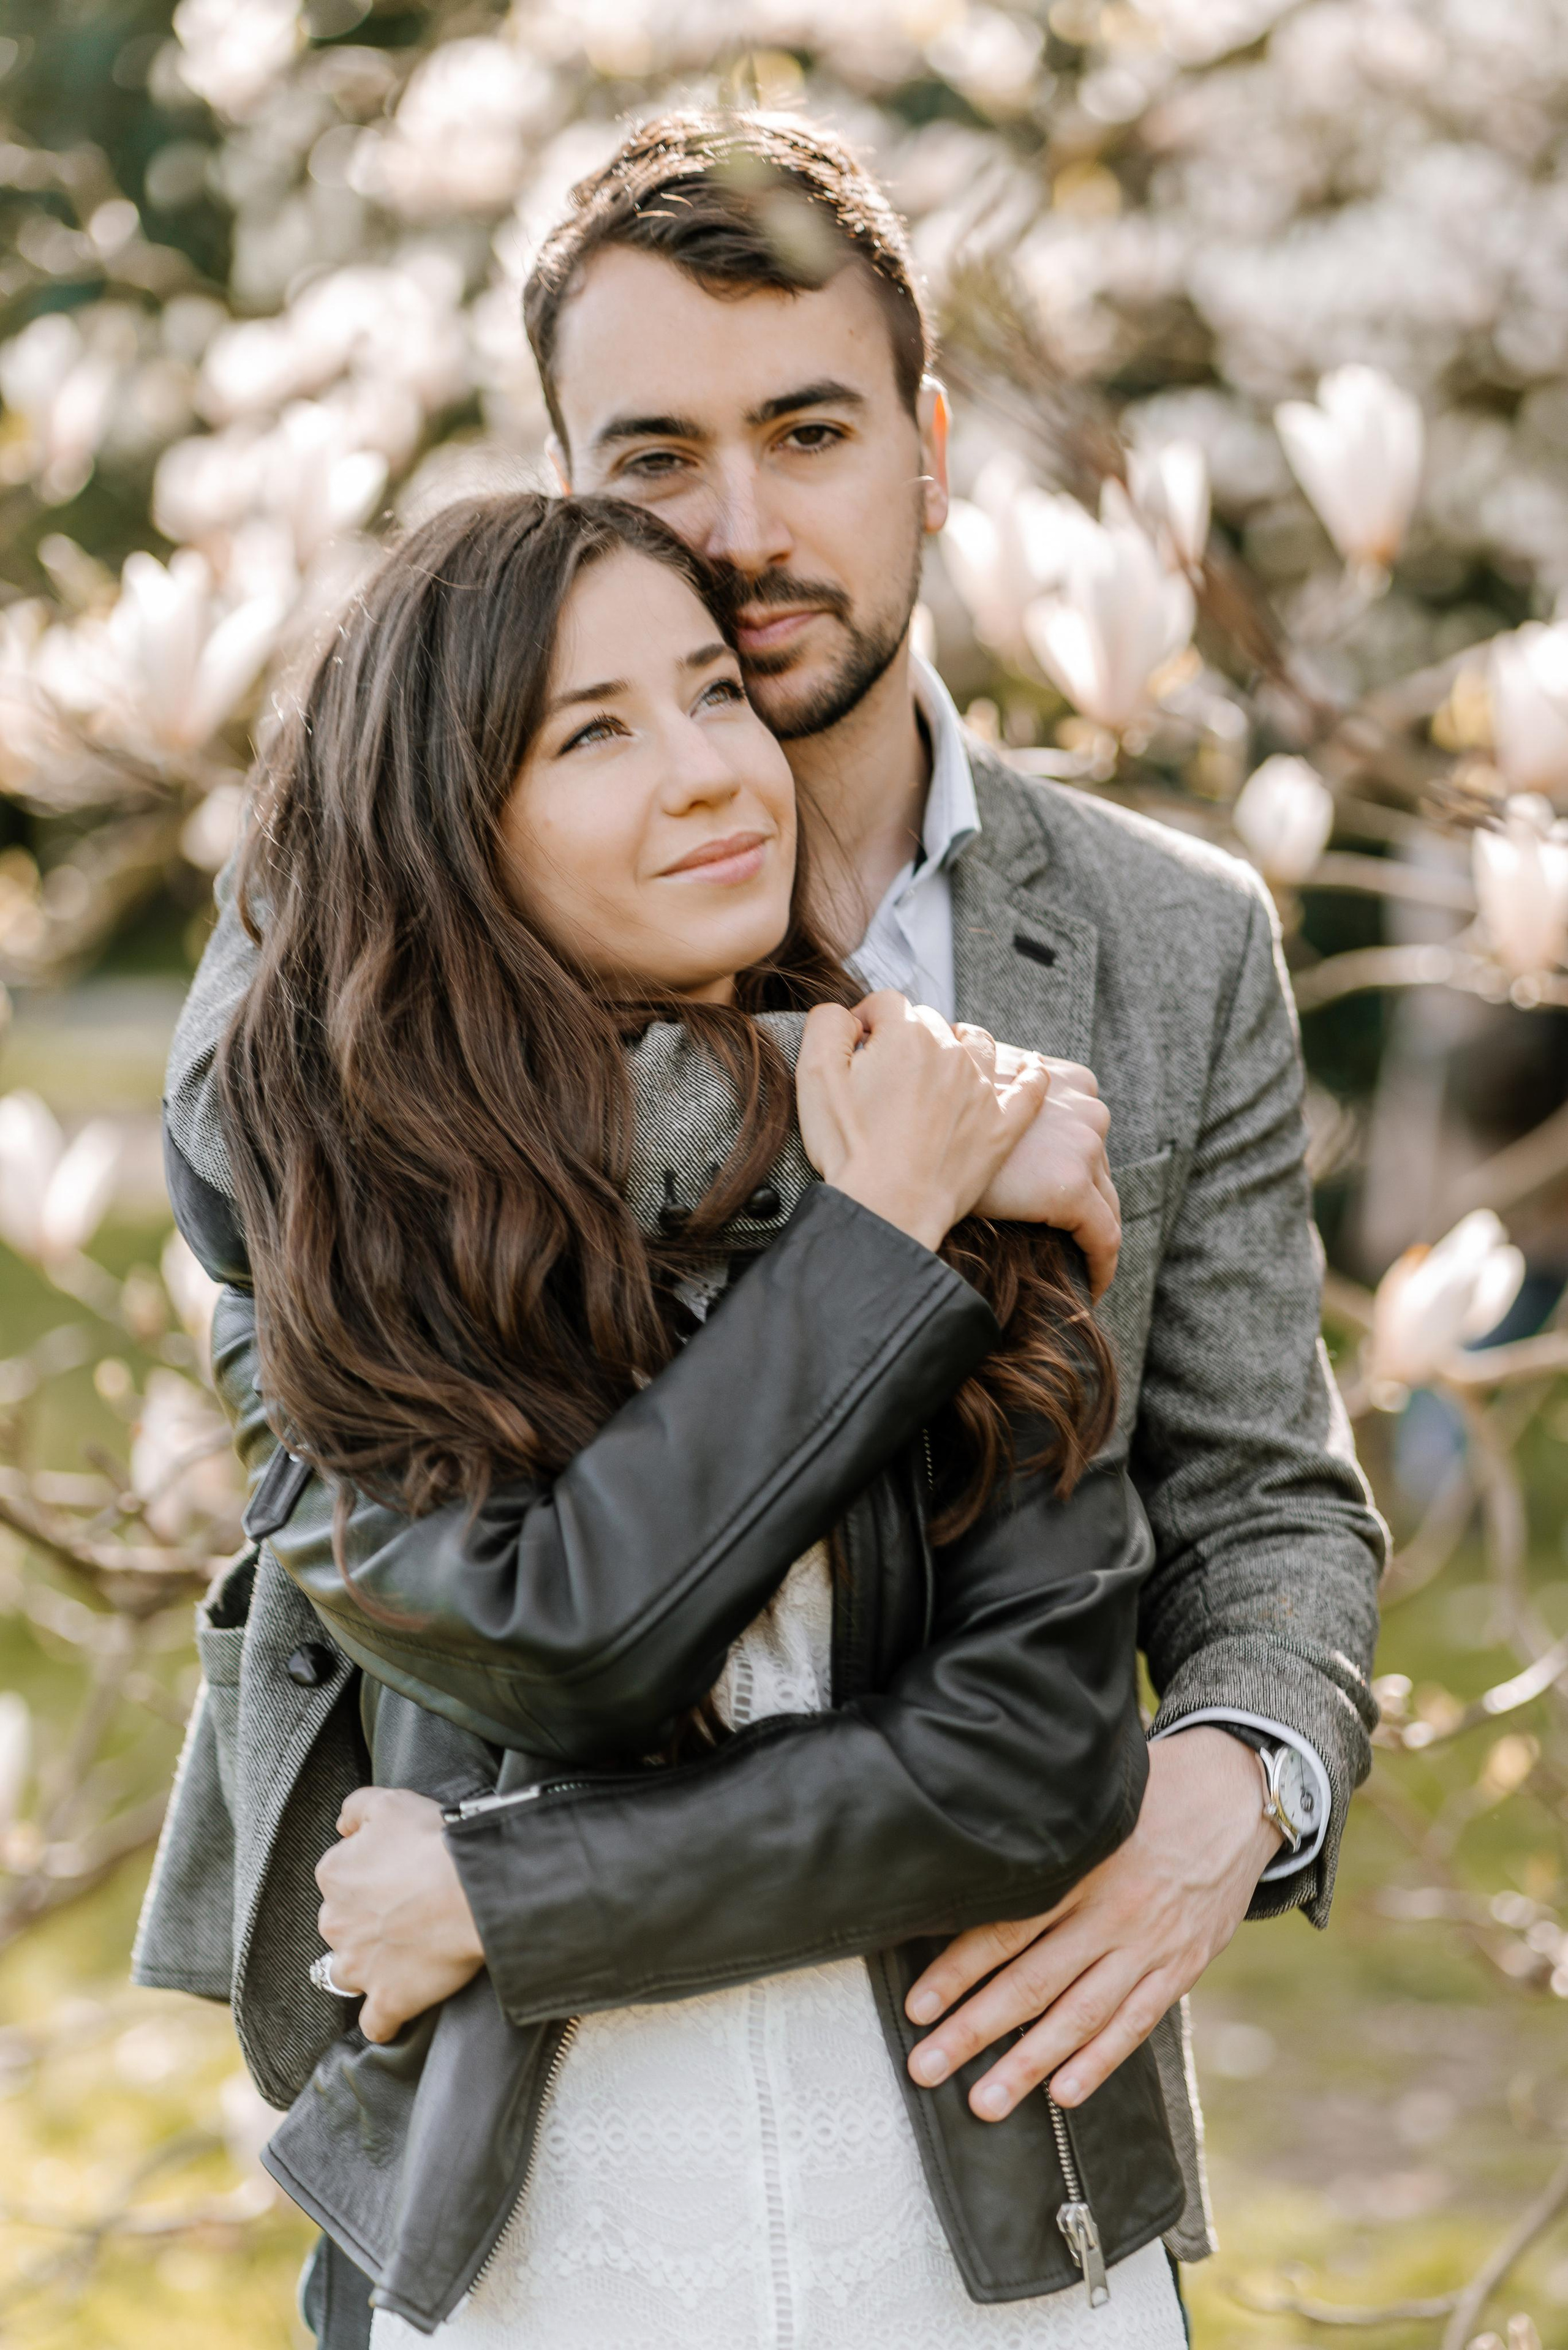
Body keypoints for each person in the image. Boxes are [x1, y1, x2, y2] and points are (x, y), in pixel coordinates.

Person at [137, 106, 1384, 2345]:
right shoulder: (320, 994)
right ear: (555, 482)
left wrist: (1232, 1785)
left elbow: (1263, 1500)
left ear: (925, 446)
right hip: (515, 2173)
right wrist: (841, 1155)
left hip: (990, 2138)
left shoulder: (1162, 945)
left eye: (807, 431)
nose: (739, 533)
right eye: (653, 463)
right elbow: (426, 1557)